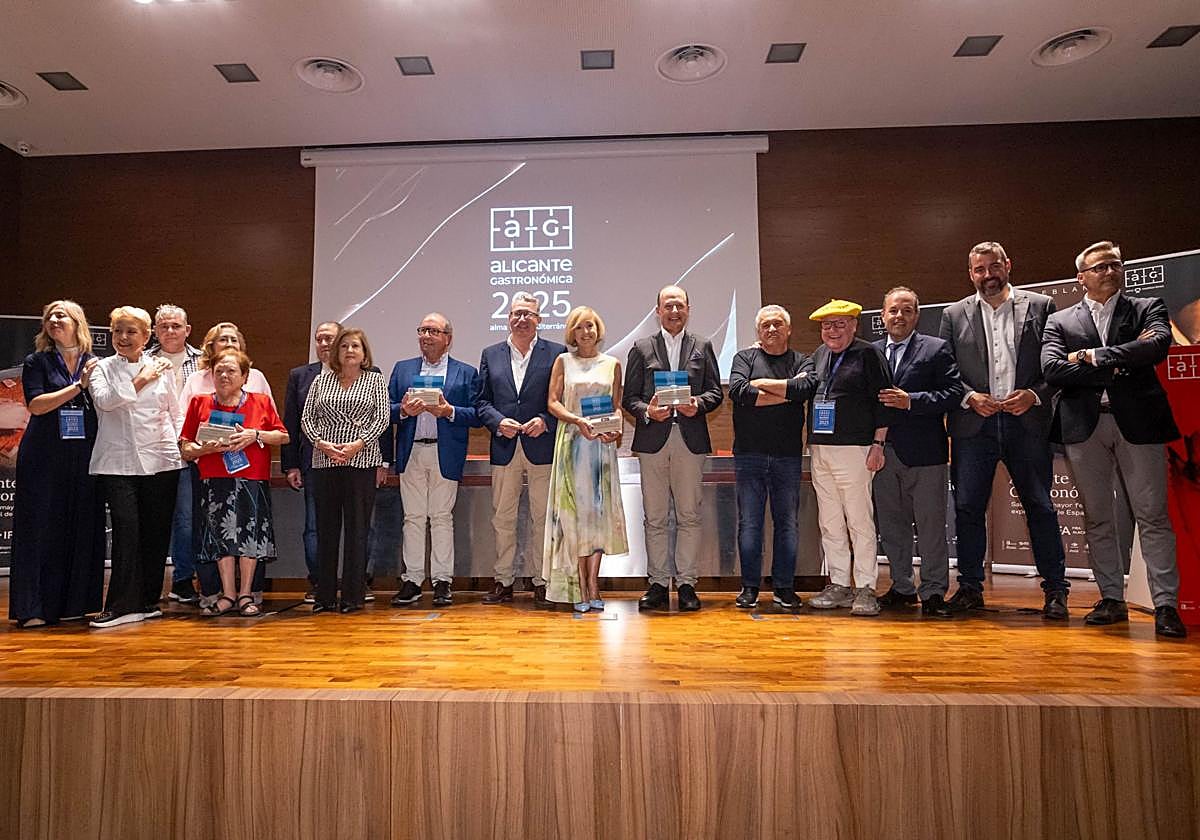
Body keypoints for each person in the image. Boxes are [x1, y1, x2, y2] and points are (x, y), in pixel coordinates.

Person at [1041, 240, 1187, 638]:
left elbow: (1156, 347)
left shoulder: (1146, 307)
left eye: (1115, 265)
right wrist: (1123, 361)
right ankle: (1110, 598)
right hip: (1084, 427)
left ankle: (1165, 605)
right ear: (1081, 277)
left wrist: (1091, 356)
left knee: (1152, 515)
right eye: (1100, 267)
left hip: (1140, 423)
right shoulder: (1060, 321)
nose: (1110, 271)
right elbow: (1053, 370)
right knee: (1098, 516)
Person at [939, 241, 1070, 620]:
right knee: (967, 508)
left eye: (993, 266)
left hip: (1025, 424)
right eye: (979, 269)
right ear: (970, 274)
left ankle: (1055, 590)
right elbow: (945, 370)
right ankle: (969, 588)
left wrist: (1034, 394)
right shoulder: (953, 314)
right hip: (973, 425)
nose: (988, 275)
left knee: (1040, 506)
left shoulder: (1041, 306)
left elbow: (1055, 364)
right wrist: (968, 397)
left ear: (1008, 265)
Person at [622, 285, 723, 611]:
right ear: (658, 311)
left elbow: (715, 393)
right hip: (653, 441)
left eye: (679, 306)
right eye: (668, 306)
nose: (674, 311)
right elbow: (629, 398)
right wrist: (648, 412)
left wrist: (698, 404)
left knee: (689, 514)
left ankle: (686, 584)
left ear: (688, 309)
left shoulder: (702, 346)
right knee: (654, 517)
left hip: (690, 440)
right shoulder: (641, 348)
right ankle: (657, 583)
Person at [9, 300, 106, 628]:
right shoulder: (37, 361)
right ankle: (34, 608)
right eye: (49, 316)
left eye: (60, 315)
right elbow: (36, 405)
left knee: (81, 525)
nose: (53, 320)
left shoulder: (96, 362)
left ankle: (75, 604)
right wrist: (78, 387)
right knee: (40, 528)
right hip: (44, 456)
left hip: (85, 455)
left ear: (77, 322)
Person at [88, 306, 184, 628]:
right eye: (118, 331)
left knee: (156, 532)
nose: (123, 337)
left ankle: (147, 601)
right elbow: (106, 401)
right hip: (117, 462)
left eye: (131, 331)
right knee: (126, 530)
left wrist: (181, 446)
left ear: (146, 336)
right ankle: (119, 605)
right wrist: (142, 379)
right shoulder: (101, 368)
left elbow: (174, 412)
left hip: (161, 459)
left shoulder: (162, 368)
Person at [282, 321, 391, 602]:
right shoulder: (321, 381)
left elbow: (382, 419)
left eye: (355, 346)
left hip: (362, 462)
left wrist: (358, 444)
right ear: (336, 352)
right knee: (326, 530)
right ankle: (325, 596)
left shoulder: (374, 380)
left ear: (364, 353)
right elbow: (306, 419)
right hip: (324, 462)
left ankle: (353, 596)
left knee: (358, 530)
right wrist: (322, 444)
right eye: (344, 346)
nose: (349, 350)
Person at [872, 287, 963, 617]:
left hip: (926, 454)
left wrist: (911, 401)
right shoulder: (871, 352)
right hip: (882, 453)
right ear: (883, 316)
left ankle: (934, 591)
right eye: (893, 310)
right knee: (891, 526)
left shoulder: (936, 348)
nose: (899, 316)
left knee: (930, 526)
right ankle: (901, 586)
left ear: (917, 316)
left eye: (907, 310)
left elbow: (954, 393)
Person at [180, 348, 289, 617]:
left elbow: (283, 436)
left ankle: (246, 594)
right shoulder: (200, 402)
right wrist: (204, 449)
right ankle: (228, 594)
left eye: (231, 371)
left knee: (250, 537)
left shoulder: (261, 401)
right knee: (221, 538)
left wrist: (255, 435)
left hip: (251, 479)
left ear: (244, 376)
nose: (224, 376)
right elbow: (185, 447)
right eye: (219, 371)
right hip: (214, 479)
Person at [804, 299, 894, 617]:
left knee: (858, 520)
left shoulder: (869, 354)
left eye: (840, 324)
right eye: (827, 325)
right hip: (820, 449)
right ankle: (839, 583)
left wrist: (878, 444)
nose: (833, 330)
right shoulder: (819, 355)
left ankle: (866, 587)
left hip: (855, 449)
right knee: (829, 520)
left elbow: (884, 401)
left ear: (854, 325)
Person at [475, 292, 566, 606]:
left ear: (539, 319)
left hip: (542, 447)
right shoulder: (491, 354)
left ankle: (542, 581)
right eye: (517, 313)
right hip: (505, 447)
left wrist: (545, 420)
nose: (522, 319)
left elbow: (562, 400)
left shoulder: (557, 353)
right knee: (503, 518)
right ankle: (503, 580)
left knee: (543, 519)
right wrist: (498, 421)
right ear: (508, 317)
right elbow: (481, 401)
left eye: (529, 314)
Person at [726, 305, 817, 609]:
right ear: (758, 331)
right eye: (766, 325)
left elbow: (805, 388)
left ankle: (784, 587)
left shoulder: (802, 360)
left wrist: (761, 385)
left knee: (787, 523)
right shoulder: (744, 358)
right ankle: (750, 587)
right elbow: (739, 392)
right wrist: (786, 392)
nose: (772, 329)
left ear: (788, 329)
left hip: (787, 456)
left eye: (778, 324)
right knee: (749, 524)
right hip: (749, 455)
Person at [388, 313, 480, 608]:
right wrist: (403, 410)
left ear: (447, 339)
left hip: (445, 451)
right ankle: (412, 580)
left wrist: (448, 411)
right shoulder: (403, 369)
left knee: (441, 517)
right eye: (422, 330)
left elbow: (477, 414)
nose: (426, 336)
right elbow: (385, 409)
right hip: (411, 450)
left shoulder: (465, 372)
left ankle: (442, 581)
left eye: (433, 331)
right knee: (413, 517)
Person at [544, 306, 628, 611]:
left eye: (590, 326)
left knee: (598, 518)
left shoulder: (613, 364)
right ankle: (579, 586)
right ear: (572, 332)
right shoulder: (563, 361)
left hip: (600, 452)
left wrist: (614, 430)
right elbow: (552, 402)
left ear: (598, 329)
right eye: (579, 327)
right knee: (575, 519)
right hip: (573, 446)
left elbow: (616, 407)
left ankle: (594, 584)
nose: (586, 332)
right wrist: (577, 420)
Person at [146, 303, 203, 605]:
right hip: (152, 450)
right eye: (163, 326)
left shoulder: (204, 361)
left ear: (187, 330)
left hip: (190, 450)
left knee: (185, 519)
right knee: (153, 518)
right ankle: (148, 584)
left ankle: (182, 580)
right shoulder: (143, 361)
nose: (170, 331)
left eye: (176, 326)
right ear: (154, 330)